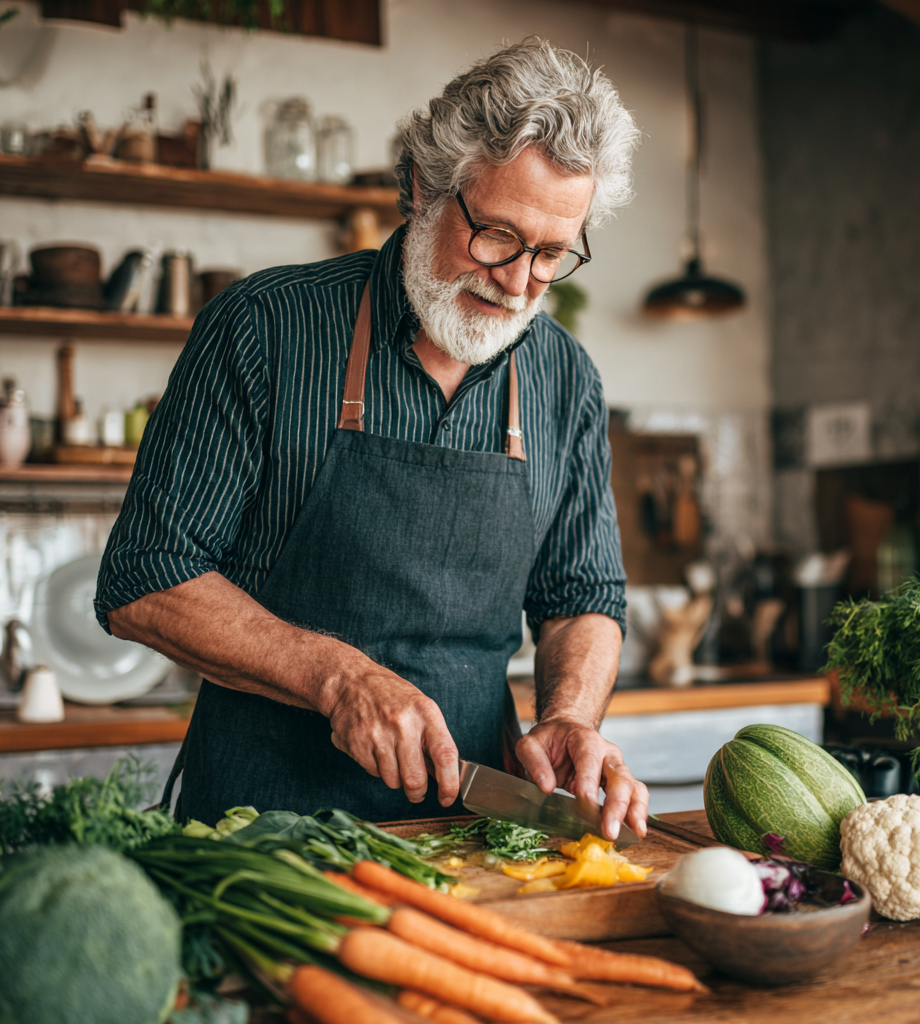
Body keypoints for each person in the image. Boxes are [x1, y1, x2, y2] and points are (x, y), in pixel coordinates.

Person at [96, 38, 650, 841]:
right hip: (262, 839)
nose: (518, 281)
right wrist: (338, 678)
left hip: (471, 838)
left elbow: (582, 598)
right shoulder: (264, 329)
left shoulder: (566, 377)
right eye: (498, 235)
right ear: (424, 185)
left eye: (552, 254)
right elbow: (146, 577)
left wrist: (569, 716)